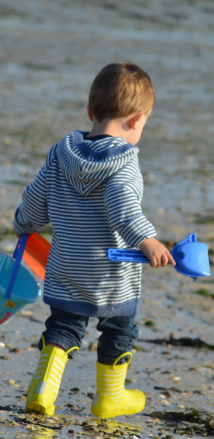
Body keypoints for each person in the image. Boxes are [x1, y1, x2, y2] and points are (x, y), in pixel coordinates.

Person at [14, 62, 175, 419]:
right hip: (111, 272)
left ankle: (42, 390)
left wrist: (24, 224)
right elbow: (124, 209)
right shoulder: (124, 162)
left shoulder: (60, 154)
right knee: (119, 328)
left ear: (91, 112)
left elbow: (36, 201)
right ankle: (110, 399)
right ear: (136, 121)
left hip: (67, 265)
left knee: (63, 326)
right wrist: (147, 239)